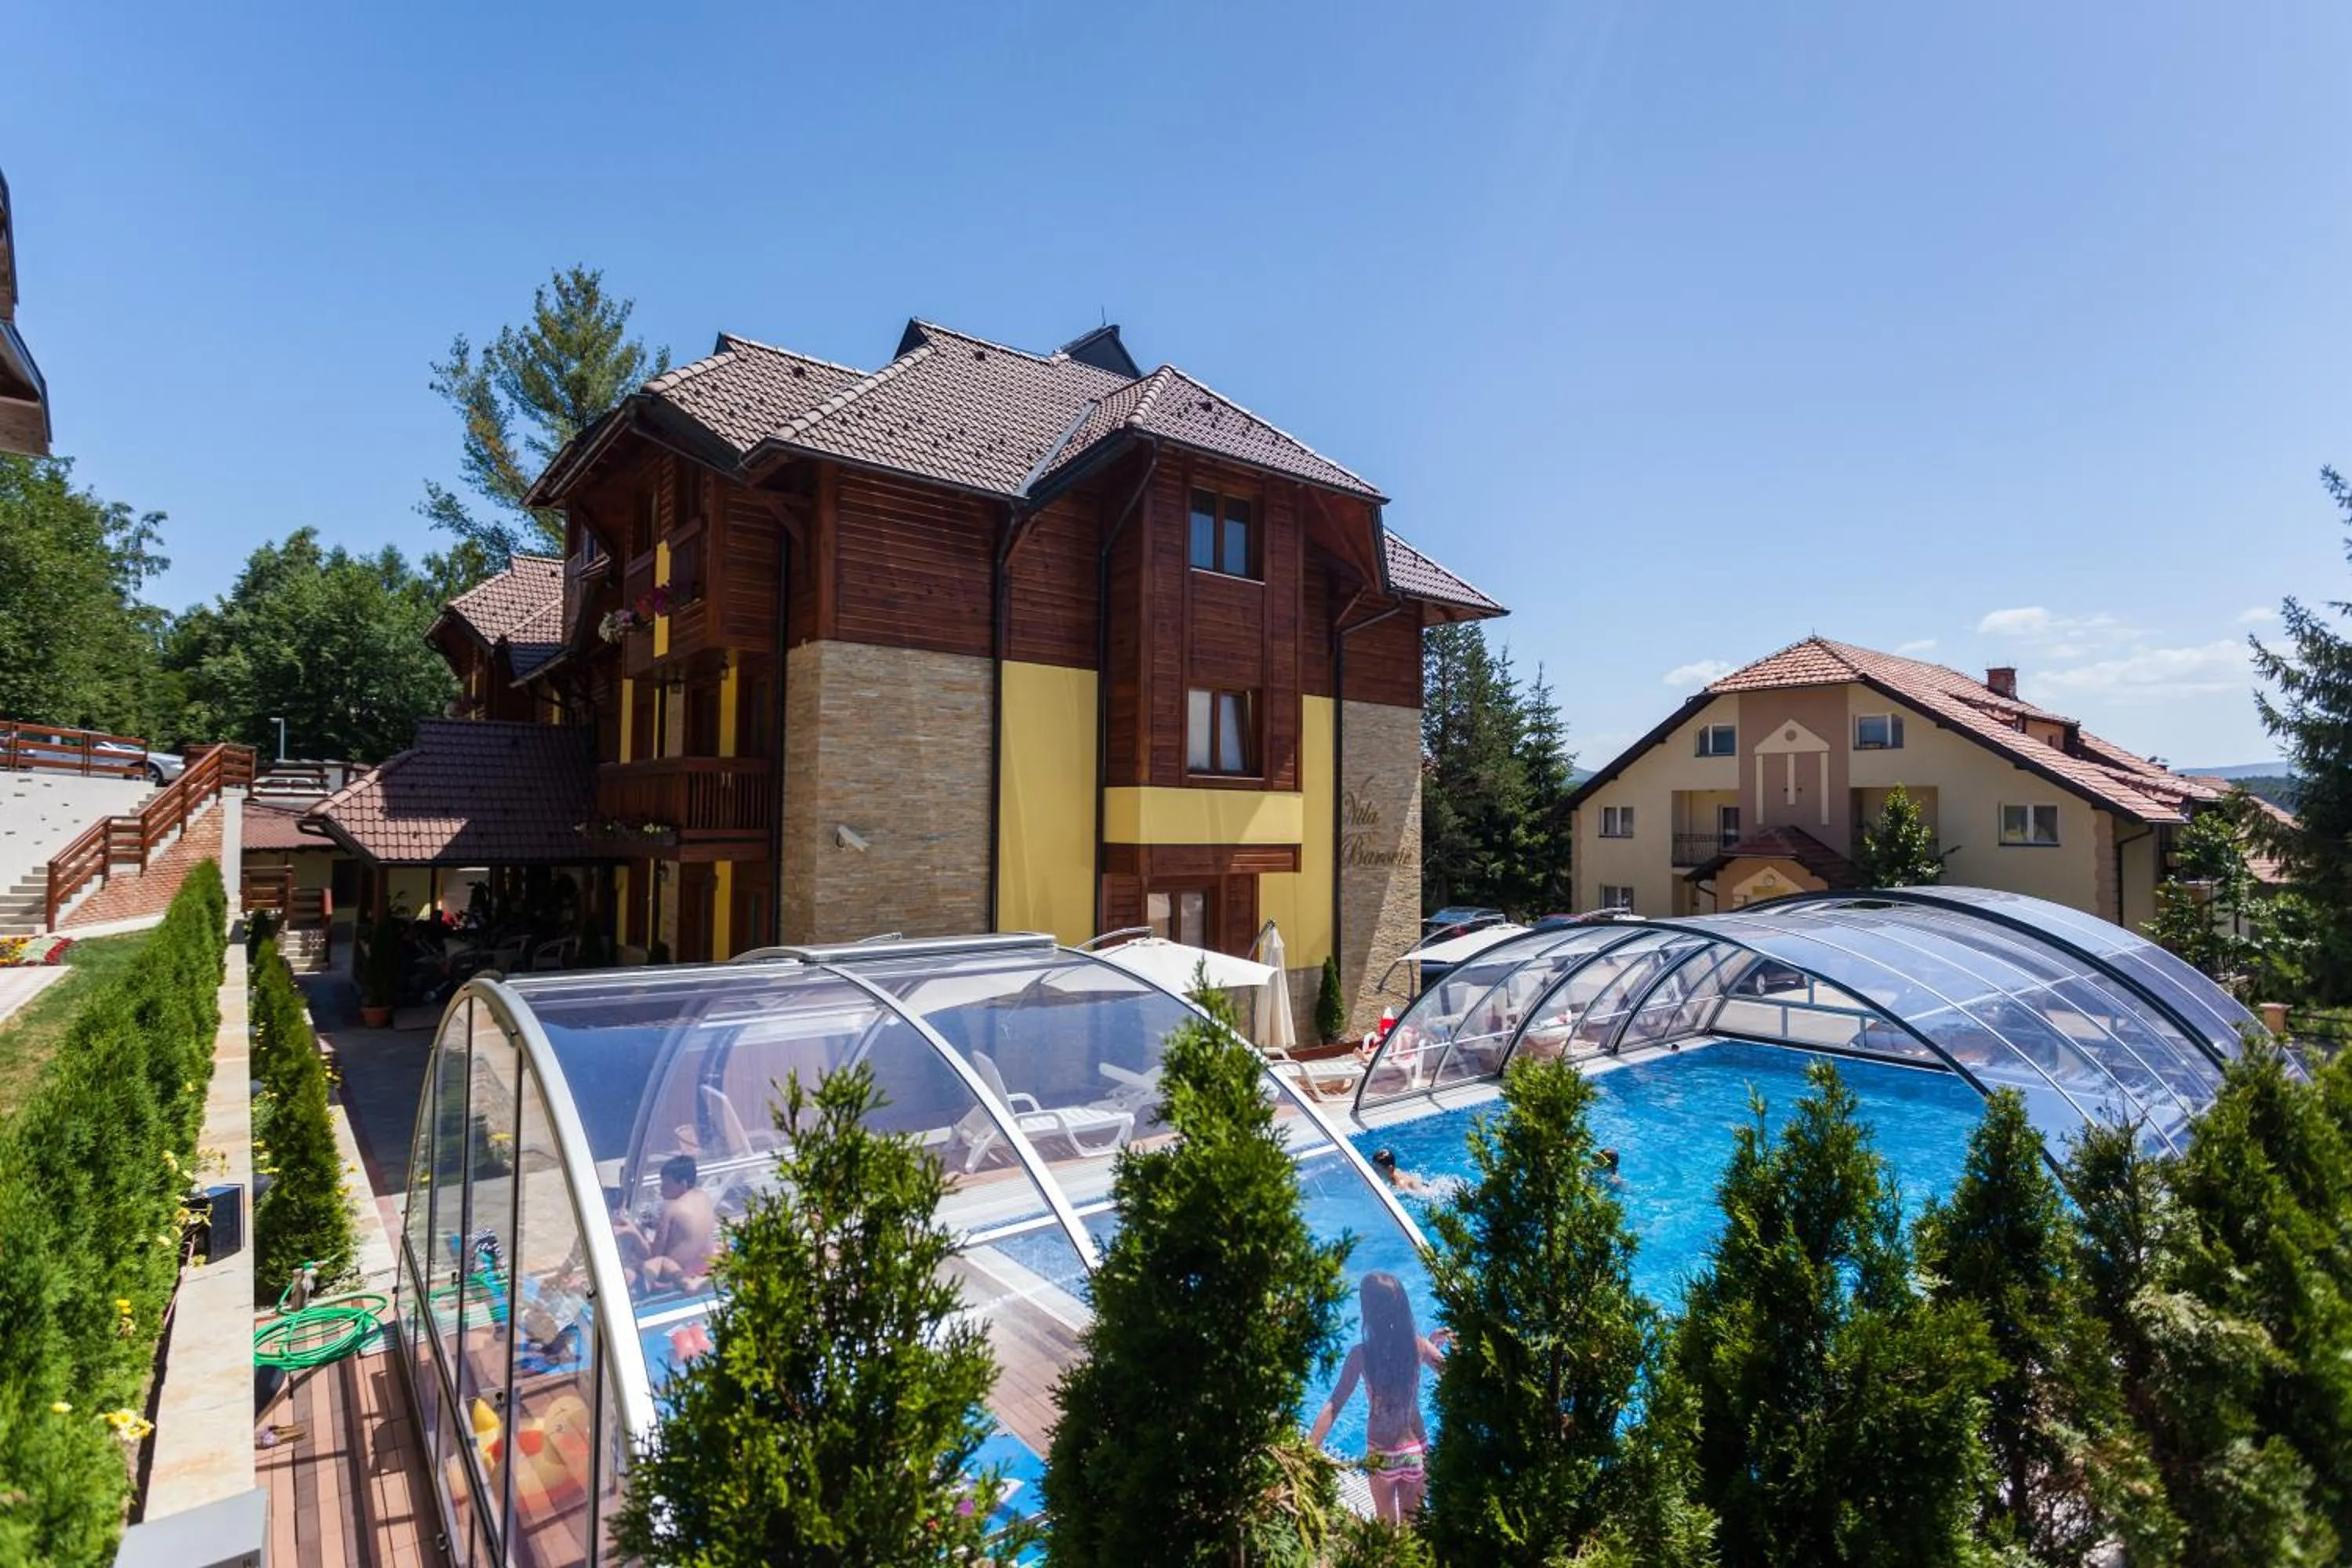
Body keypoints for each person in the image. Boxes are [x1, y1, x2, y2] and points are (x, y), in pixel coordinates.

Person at [1308, 1272, 1450, 1523]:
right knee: (1414, 1528)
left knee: (1385, 1527)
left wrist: (1308, 1450)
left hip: (1383, 1452)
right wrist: (1435, 1343)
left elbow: (1335, 1404)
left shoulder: (1360, 1355)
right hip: (1415, 1449)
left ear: (1367, 1312)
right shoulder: (1416, 1346)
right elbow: (1453, 1376)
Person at [612, 1153, 720, 1294]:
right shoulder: (703, 1197)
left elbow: (654, 1255)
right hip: (703, 1264)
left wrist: (632, 1232)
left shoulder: (671, 1208)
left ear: (683, 1184)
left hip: (677, 1273)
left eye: (666, 1184)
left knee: (632, 1264)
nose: (661, 1189)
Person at [1368, 1148, 1464, 1202]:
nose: (1374, 1170)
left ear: (1389, 1168)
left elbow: (1413, 1198)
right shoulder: (1392, 1171)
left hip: (1428, 1194)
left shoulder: (1400, 1184)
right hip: (1425, 1184)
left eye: (1377, 1168)